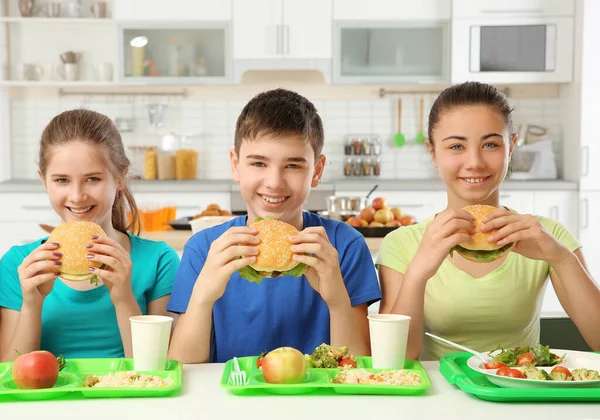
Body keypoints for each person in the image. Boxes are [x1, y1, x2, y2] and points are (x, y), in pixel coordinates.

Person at [377, 81, 600, 360]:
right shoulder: (402, 244)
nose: (475, 162)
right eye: (456, 146)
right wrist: (418, 272)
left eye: (491, 144)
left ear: (511, 147)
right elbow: (393, 359)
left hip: (521, 393)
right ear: (433, 152)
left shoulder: (545, 234)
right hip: (438, 397)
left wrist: (563, 259)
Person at [167, 88, 381, 363]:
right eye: (258, 163)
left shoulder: (344, 245)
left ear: (316, 171)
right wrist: (202, 298)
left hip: (323, 400)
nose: (274, 182)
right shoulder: (204, 248)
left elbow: (358, 368)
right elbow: (184, 368)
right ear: (235, 165)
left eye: (293, 166)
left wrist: (337, 300)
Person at [0, 109, 179, 361]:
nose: (77, 196)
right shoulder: (17, 265)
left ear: (119, 178)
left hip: (131, 399)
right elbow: (10, 377)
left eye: (92, 179)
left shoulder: (159, 260)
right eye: (61, 180)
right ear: (43, 181)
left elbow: (160, 369)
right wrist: (32, 304)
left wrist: (123, 298)